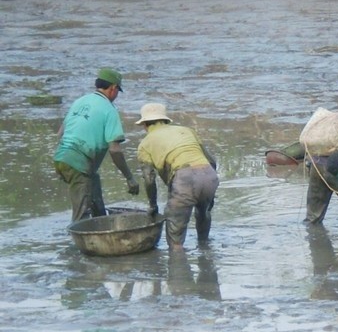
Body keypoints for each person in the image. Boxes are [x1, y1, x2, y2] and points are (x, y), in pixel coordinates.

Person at [54, 68, 139, 222]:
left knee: (93, 187)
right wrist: (129, 177)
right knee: (81, 216)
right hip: (79, 163)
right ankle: (78, 244)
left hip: (61, 158)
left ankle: (101, 221)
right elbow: (115, 150)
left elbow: (60, 134)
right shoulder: (109, 110)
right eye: (118, 91)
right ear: (113, 88)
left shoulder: (80, 101)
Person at [135, 103, 219, 251]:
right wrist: (211, 195)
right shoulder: (186, 131)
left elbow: (149, 178)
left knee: (176, 235)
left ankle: (177, 264)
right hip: (209, 175)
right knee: (203, 213)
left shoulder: (145, 144)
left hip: (185, 179)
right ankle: (205, 252)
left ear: (145, 125)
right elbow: (211, 160)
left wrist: (153, 205)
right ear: (166, 120)